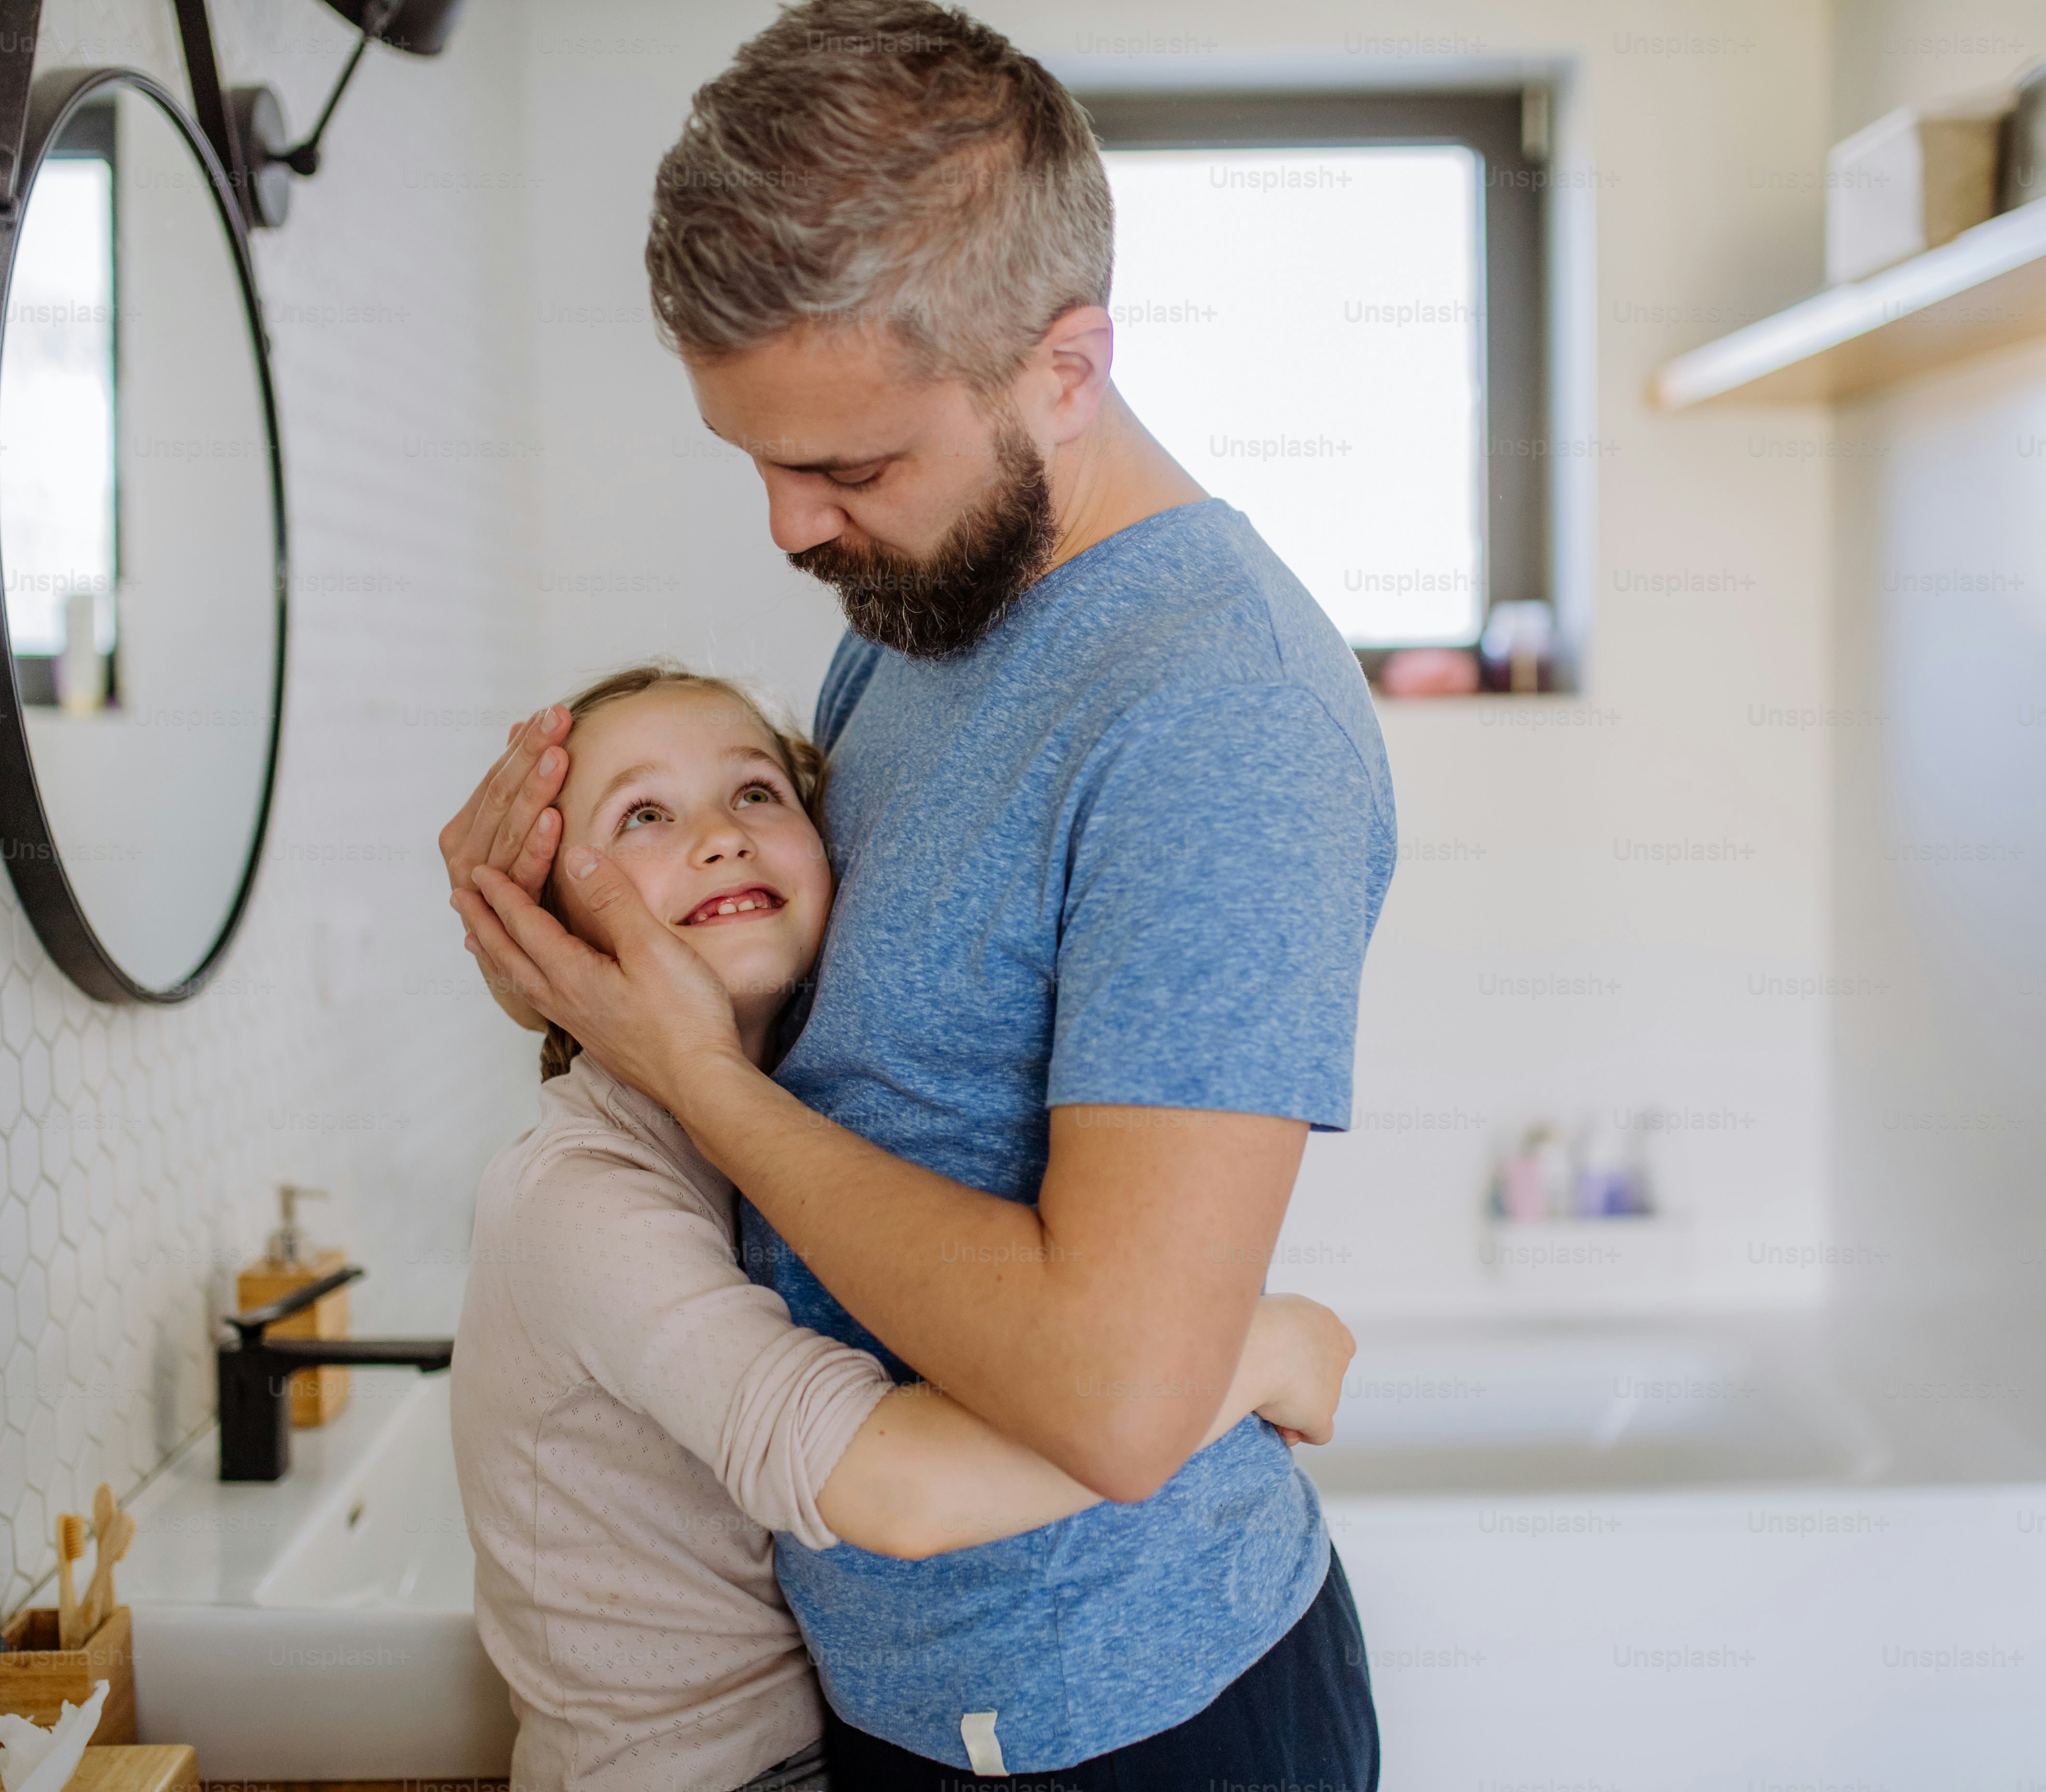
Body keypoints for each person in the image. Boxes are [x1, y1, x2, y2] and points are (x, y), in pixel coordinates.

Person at [445, 2, 1397, 1783]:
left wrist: (698, 1084)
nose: (788, 531)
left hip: (1128, 1722)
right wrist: (566, 966)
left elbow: (1115, 1404)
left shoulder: (1217, 724)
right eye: (757, 457)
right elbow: (860, 1057)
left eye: (845, 467)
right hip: (895, 1692)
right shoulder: (924, 617)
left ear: (1064, 363)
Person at [450, 662, 1357, 1792]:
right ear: (546, 921)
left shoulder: (753, 1111)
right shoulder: (578, 1201)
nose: (721, 838)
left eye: (757, 793)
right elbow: (898, 1492)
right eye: (644, 815)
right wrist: (1261, 1347)